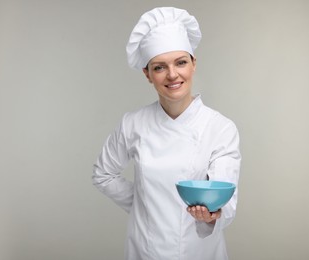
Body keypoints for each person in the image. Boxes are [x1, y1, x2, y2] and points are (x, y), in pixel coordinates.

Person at [93, 7, 241, 260]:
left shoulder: (220, 128)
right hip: (145, 249)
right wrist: (145, 206)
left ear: (193, 64)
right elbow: (103, 174)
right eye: (160, 67)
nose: (172, 75)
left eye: (181, 62)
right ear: (147, 74)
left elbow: (224, 193)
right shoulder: (133, 123)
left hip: (200, 250)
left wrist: (214, 212)